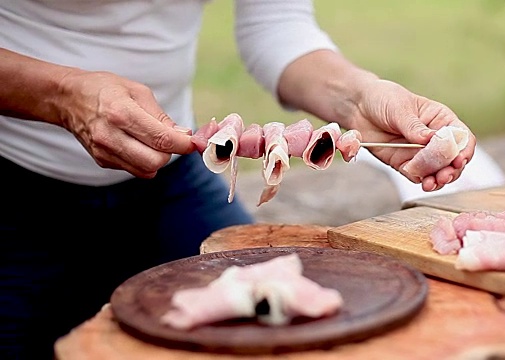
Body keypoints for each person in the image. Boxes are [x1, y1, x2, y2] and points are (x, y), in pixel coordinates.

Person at [0, 1, 476, 358]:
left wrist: (360, 100)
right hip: (14, 184)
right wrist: (58, 95)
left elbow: (275, 24)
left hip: (174, 181)